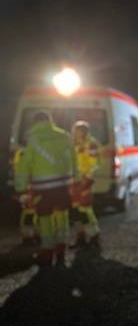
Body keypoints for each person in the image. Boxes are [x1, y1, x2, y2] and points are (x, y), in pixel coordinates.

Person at [14, 111, 79, 267]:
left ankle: (48, 250)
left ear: (35, 122)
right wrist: (76, 180)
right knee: (62, 215)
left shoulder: (33, 138)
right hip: (64, 184)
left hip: (43, 187)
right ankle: (62, 247)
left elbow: (25, 165)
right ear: (50, 121)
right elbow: (74, 160)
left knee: (45, 218)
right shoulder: (65, 136)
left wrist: (20, 187)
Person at [70, 121, 101, 247]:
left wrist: (88, 179)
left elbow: (95, 164)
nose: (77, 134)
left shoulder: (91, 144)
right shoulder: (75, 145)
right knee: (75, 210)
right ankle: (80, 237)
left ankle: (94, 235)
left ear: (85, 132)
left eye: (80, 131)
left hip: (84, 181)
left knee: (85, 209)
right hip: (74, 181)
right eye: (76, 131)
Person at [12, 147, 40, 246]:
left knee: (35, 212)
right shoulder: (23, 152)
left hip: (34, 186)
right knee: (29, 212)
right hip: (27, 187)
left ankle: (35, 235)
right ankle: (28, 237)